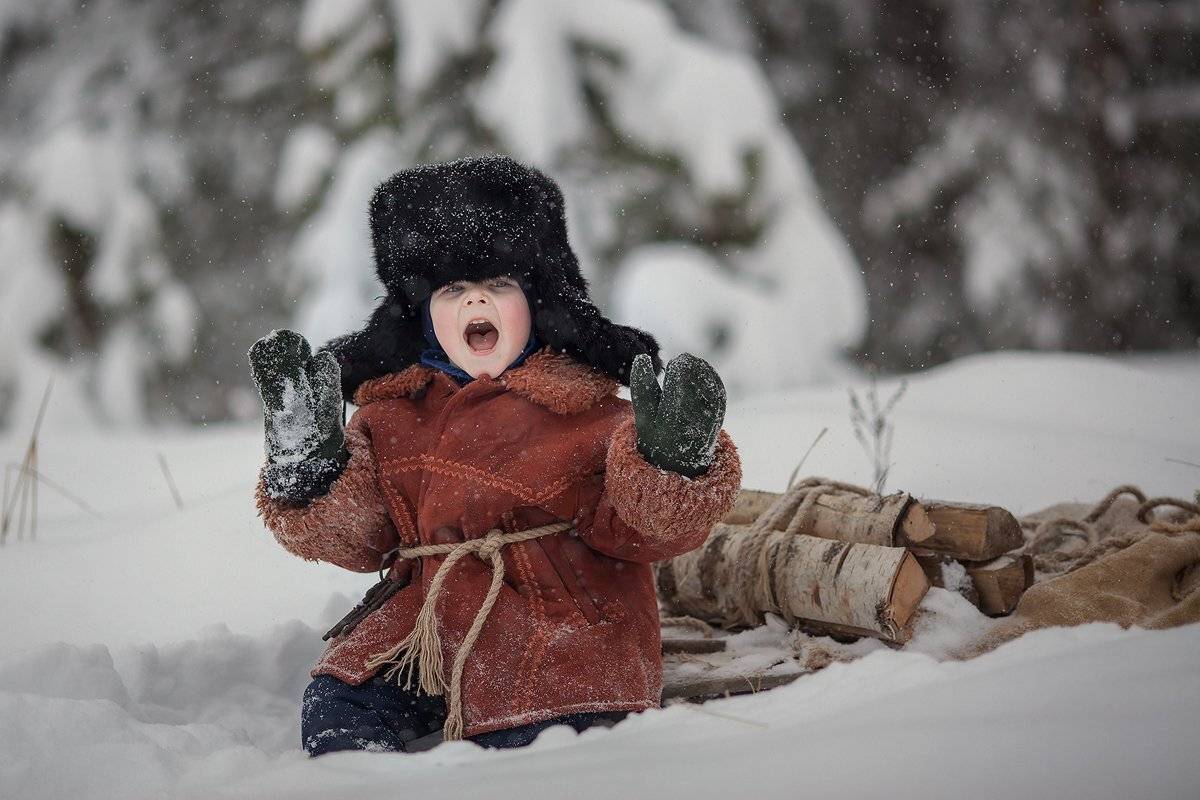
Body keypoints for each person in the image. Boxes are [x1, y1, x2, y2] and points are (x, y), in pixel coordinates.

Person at [249, 155, 742, 756]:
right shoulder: (392, 415)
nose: (475, 303)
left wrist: (672, 470)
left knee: (524, 731)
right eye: (452, 289)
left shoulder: (587, 413)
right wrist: (312, 471)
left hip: (561, 631)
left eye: (499, 285)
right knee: (338, 705)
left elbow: (642, 533)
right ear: (422, 314)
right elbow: (367, 542)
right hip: (429, 626)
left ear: (539, 303)